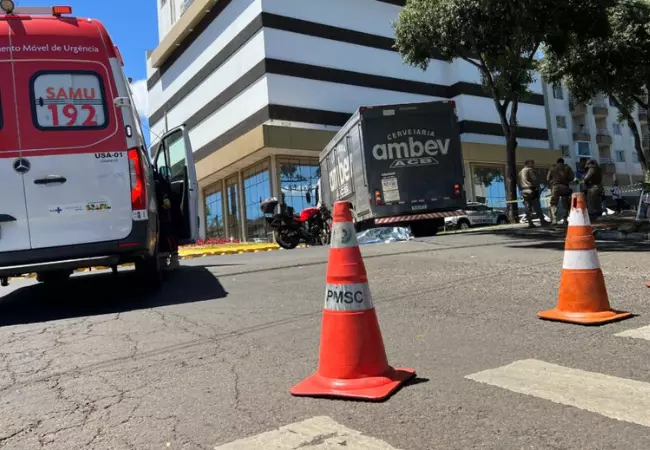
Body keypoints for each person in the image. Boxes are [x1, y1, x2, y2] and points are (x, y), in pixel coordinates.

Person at [154, 169, 180, 270]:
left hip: (164, 211)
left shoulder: (156, 178)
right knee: (164, 234)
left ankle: (173, 259)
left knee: (167, 233)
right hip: (162, 211)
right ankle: (164, 260)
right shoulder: (158, 177)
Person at [518, 160, 549, 227]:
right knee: (537, 205)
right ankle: (542, 221)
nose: (533, 165)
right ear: (527, 164)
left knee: (527, 206)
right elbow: (534, 179)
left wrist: (520, 191)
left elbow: (519, 183)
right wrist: (538, 188)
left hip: (523, 191)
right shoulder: (529, 170)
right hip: (531, 190)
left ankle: (530, 222)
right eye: (532, 164)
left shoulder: (520, 172)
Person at [546, 158, 575, 225]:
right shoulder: (567, 168)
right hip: (565, 187)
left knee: (553, 204)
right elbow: (572, 177)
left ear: (557, 162)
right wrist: (567, 180)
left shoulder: (552, 168)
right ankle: (565, 219)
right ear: (563, 162)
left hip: (555, 187)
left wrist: (552, 182)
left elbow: (547, 178)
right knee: (565, 204)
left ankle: (554, 220)